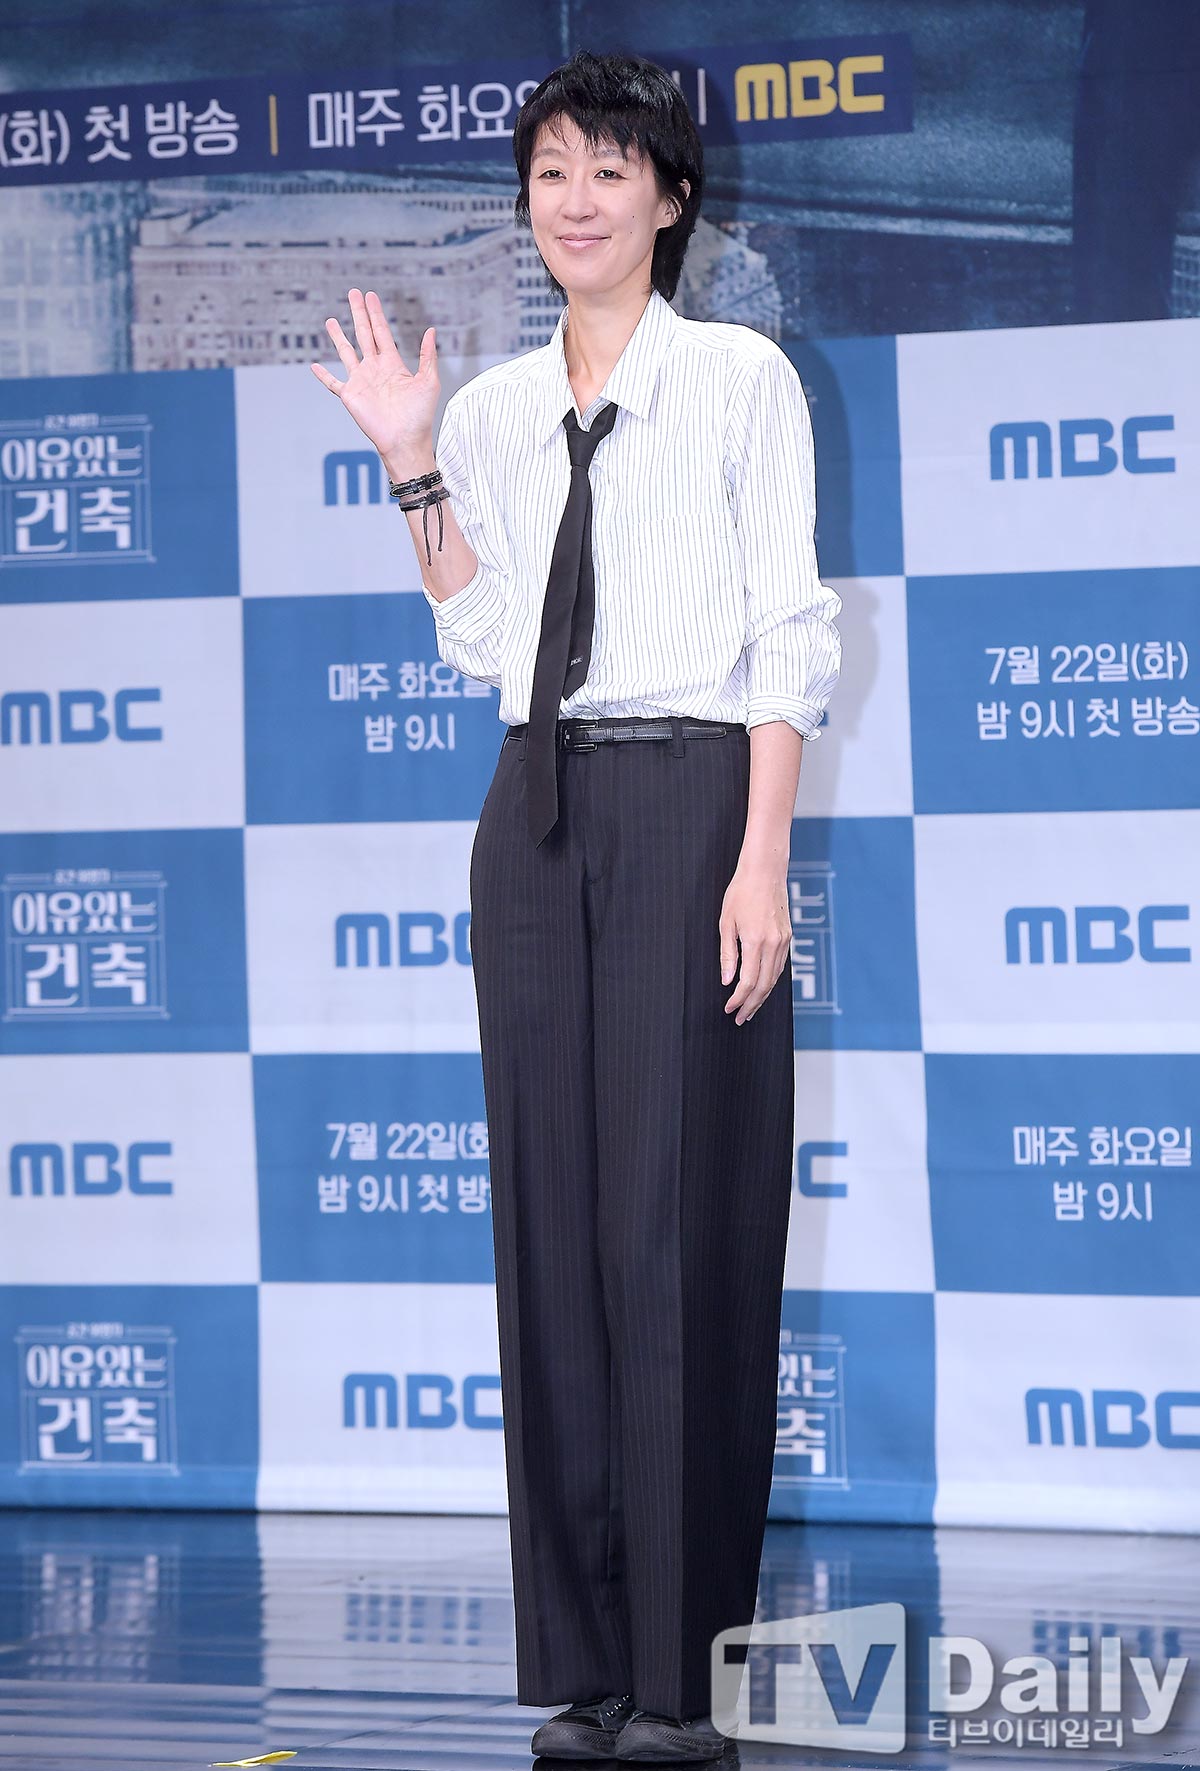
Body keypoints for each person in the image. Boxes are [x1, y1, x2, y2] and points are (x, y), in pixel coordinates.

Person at [311, 49, 841, 1766]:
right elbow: (481, 631)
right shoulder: (486, 412)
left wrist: (758, 857)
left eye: (613, 170)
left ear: (672, 200)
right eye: (552, 172)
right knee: (551, 1235)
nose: (579, 200)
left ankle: (686, 1674)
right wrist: (412, 466)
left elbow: (788, 632)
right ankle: (591, 1669)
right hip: (533, 807)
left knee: (677, 1230)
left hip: (694, 799)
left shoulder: (741, 378)